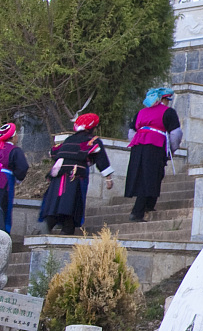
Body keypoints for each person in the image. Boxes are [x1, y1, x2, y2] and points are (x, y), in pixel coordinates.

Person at [39, 113, 111, 236]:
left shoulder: (69, 140)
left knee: (56, 201)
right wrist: (108, 178)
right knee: (72, 203)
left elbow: (54, 152)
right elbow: (101, 159)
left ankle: (48, 224)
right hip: (75, 177)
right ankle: (66, 230)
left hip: (58, 177)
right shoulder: (92, 140)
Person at [125, 87, 183, 222]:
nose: (168, 102)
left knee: (145, 175)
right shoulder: (168, 112)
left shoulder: (140, 112)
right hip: (155, 146)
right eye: (167, 100)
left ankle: (149, 205)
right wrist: (171, 150)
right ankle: (137, 212)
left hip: (138, 146)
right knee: (151, 176)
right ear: (163, 99)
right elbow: (176, 134)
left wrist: (136, 144)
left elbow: (131, 132)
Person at [0, 123, 26, 237]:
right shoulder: (15, 150)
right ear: (13, 137)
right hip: (5, 182)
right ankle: (3, 233)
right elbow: (22, 166)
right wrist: (18, 178)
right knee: (4, 207)